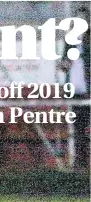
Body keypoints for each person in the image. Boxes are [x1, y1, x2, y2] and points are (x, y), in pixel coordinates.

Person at [57, 6, 90, 166]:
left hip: (88, 90)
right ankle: (80, 161)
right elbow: (64, 63)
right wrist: (64, 64)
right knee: (79, 128)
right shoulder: (70, 42)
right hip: (76, 90)